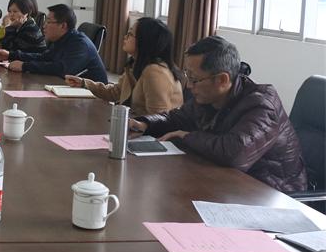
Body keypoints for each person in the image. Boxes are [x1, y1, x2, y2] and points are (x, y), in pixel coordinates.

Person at [129, 36, 307, 193]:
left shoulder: (262, 105)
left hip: (272, 195)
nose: (189, 86)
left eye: (194, 79)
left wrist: (187, 136)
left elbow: (234, 154)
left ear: (222, 80)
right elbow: (177, 118)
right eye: (187, 76)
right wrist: (145, 124)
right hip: (228, 185)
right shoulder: (209, 96)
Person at [65, 17, 184, 116]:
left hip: (149, 133)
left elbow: (158, 118)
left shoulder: (155, 71)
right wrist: (84, 83)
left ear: (145, 41)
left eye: (130, 34)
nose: (125, 37)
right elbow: (115, 92)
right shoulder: (135, 64)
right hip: (134, 126)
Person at [0, 4, 108, 83]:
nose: (44, 25)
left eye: (48, 22)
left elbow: (63, 70)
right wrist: (10, 55)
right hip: (69, 89)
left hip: (92, 98)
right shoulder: (61, 39)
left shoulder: (80, 44)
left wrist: (25, 66)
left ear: (63, 25)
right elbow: (44, 57)